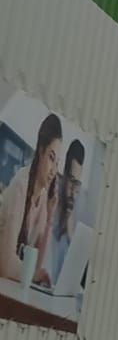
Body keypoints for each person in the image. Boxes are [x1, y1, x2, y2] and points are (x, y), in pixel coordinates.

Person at [0, 112, 62, 287]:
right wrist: (33, 275)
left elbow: (36, 266)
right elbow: (5, 264)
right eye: (51, 157)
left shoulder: (42, 198)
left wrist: (50, 218)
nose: (53, 170)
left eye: (57, 163)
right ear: (40, 151)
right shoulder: (21, 184)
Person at [38, 137, 85, 287]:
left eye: (77, 184)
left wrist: (72, 237)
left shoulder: (72, 217)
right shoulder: (49, 202)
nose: (73, 192)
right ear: (63, 176)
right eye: (71, 181)